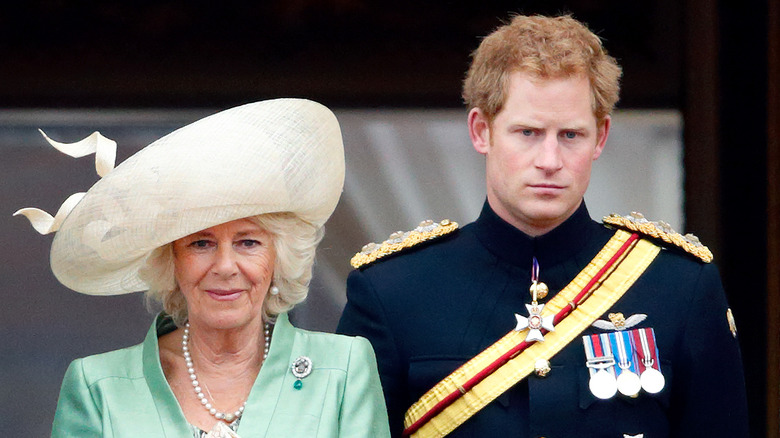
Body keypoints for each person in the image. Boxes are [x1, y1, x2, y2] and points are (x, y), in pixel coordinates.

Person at [337, 14, 749, 438]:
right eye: (528, 132)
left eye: (571, 135)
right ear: (482, 131)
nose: (550, 160)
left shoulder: (680, 286)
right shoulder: (392, 291)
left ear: (601, 137)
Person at [16, 99, 391, 437]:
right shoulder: (98, 386)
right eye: (201, 243)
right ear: (171, 259)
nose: (225, 266)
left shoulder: (343, 369)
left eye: (248, 242)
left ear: (279, 256)